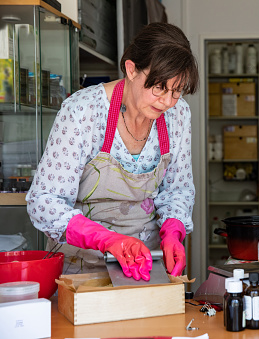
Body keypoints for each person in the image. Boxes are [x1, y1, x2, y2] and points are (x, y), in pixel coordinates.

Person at [26, 22, 199, 281]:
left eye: (177, 91)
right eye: (159, 88)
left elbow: (178, 188)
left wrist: (174, 230)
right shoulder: (83, 111)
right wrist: (106, 239)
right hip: (81, 266)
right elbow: (43, 201)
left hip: (145, 266)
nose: (167, 102)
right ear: (131, 69)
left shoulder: (177, 113)